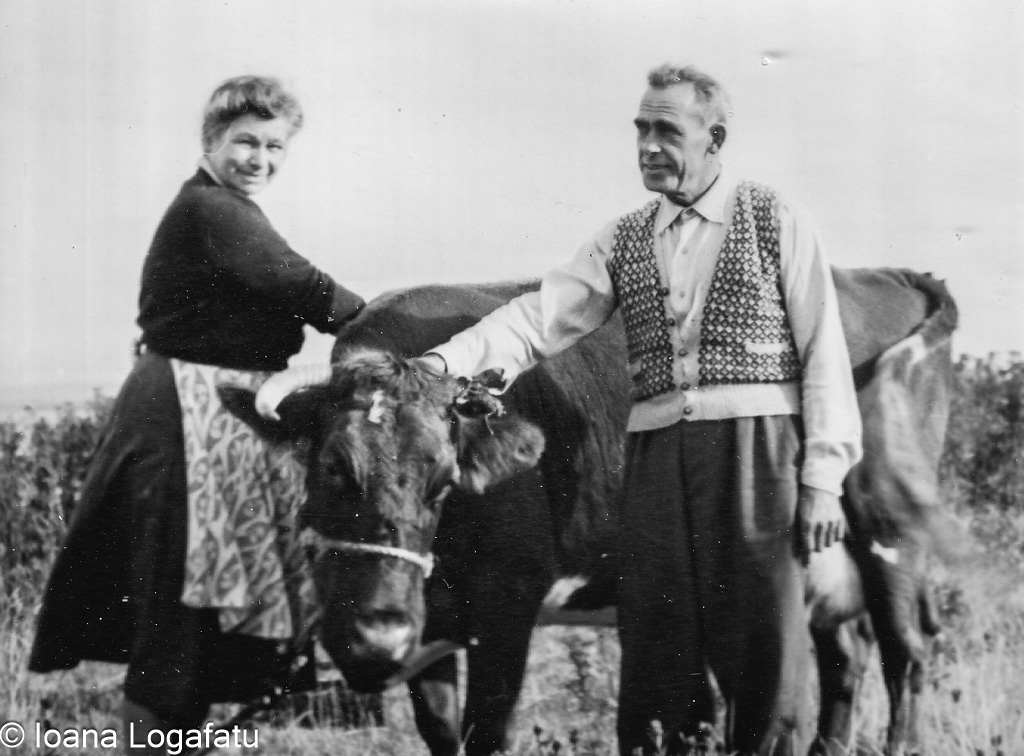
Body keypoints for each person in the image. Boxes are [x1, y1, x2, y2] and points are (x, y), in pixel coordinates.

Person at [418, 64, 862, 755]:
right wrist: (442, 364)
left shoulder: (777, 218)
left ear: (714, 137)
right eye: (641, 129)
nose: (648, 146)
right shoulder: (623, 236)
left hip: (757, 449)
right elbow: (540, 319)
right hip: (651, 456)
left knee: (762, 639)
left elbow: (824, 353)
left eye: (666, 130)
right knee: (658, 637)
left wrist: (824, 480)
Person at [29, 75, 365, 753]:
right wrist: (384, 327)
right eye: (246, 141)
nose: (259, 159)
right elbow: (299, 283)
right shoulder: (214, 211)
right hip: (184, 420)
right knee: (176, 608)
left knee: (199, 615)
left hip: (213, 417)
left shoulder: (225, 208)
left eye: (275, 147)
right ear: (211, 141)